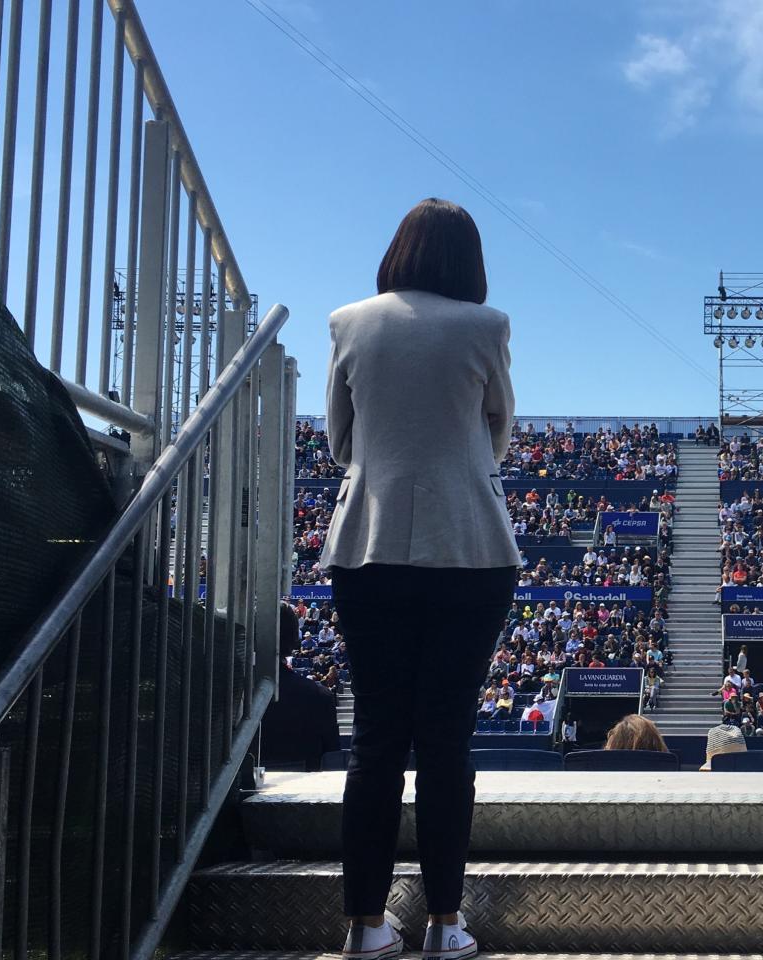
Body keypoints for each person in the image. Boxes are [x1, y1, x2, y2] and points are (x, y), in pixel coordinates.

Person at [324, 198, 519, 960]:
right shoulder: (487, 326)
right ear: (468, 261)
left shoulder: (347, 322)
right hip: (470, 545)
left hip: (366, 543)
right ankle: (444, 923)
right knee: (446, 742)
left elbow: (342, 441)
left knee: (374, 742)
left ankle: (364, 925)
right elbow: (498, 429)